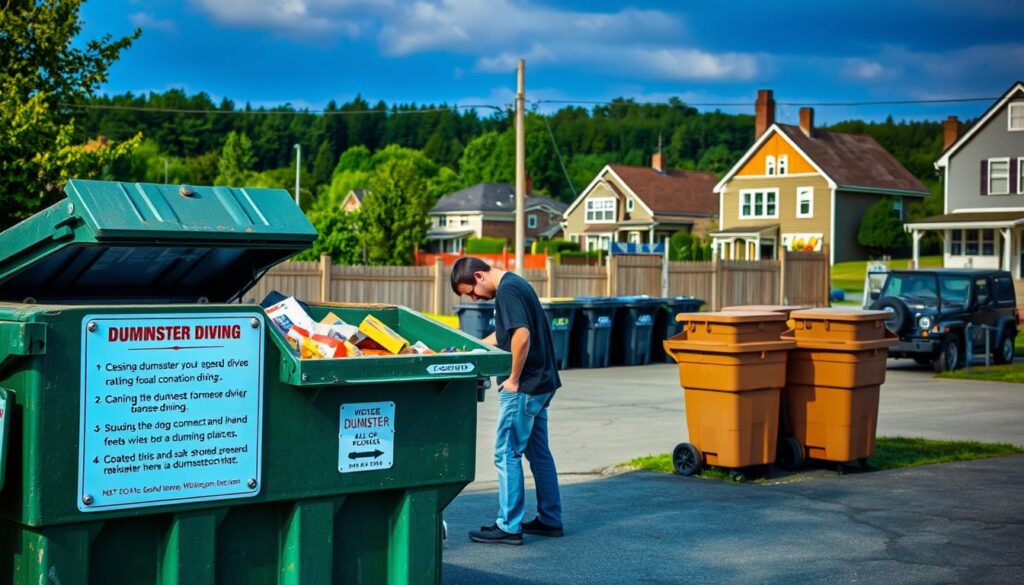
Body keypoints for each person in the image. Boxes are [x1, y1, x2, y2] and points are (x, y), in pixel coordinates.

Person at [451, 257, 563, 545]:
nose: (474, 298)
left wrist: (512, 378)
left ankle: (509, 526)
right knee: (539, 454)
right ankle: (551, 519)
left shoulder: (507, 292)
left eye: (471, 292)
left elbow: (522, 336)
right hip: (542, 382)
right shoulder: (518, 283)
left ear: (479, 275)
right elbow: (505, 335)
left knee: (506, 452)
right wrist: (471, 345)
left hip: (524, 386)